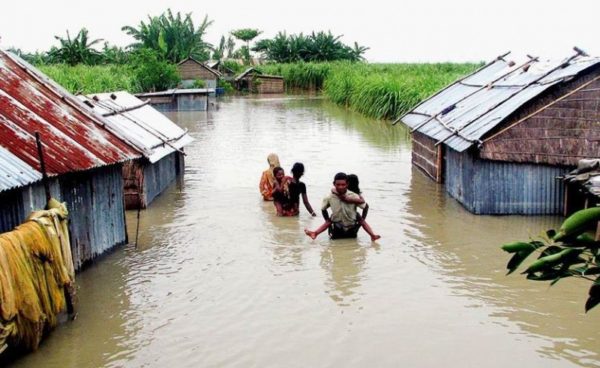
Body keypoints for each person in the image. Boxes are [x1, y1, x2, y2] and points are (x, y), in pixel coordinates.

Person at [305, 172, 379, 240]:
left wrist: (360, 222)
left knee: (361, 221)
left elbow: (365, 206)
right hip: (337, 226)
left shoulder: (354, 195)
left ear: (347, 184)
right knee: (329, 221)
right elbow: (323, 209)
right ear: (334, 184)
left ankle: (372, 235)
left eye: (343, 185)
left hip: (351, 226)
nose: (340, 187)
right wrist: (328, 223)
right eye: (338, 184)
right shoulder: (329, 197)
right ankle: (315, 233)